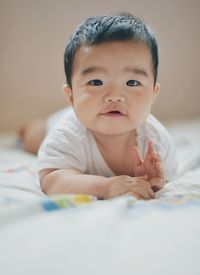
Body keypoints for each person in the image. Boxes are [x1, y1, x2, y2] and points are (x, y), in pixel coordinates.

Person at [36, 13, 178, 200]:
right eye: (96, 82)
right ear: (71, 96)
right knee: (34, 137)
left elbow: (166, 180)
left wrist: (154, 182)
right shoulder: (66, 135)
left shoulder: (156, 140)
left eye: (132, 83)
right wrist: (106, 187)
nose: (115, 96)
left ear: (153, 94)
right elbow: (52, 181)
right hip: (57, 122)